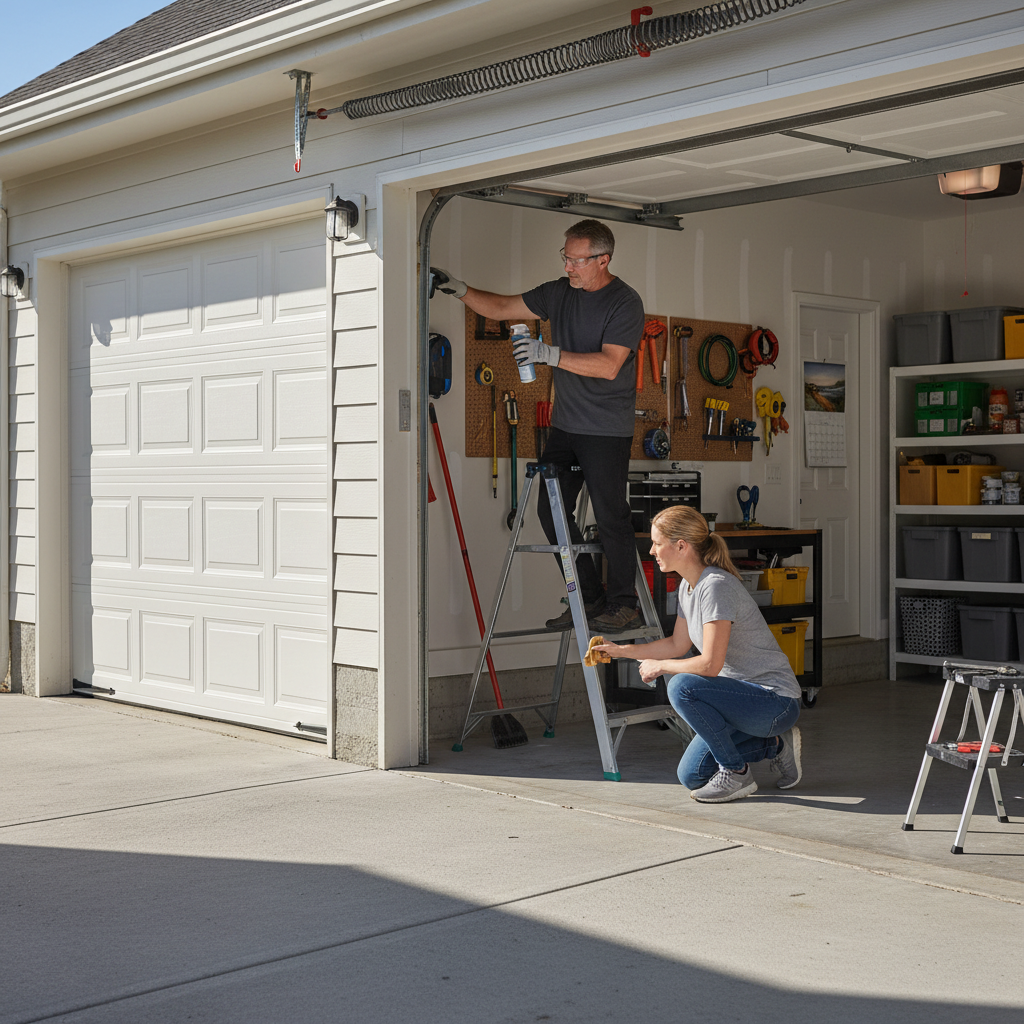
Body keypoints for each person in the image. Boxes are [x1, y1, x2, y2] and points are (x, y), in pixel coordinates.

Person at [430, 219, 645, 633]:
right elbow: (501, 307)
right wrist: (459, 289)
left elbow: (609, 364)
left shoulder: (625, 303)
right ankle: (589, 597)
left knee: (611, 514)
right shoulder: (559, 293)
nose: (568, 267)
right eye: (565, 257)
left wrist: (549, 352)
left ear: (603, 260)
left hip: (606, 429)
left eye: (577, 260)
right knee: (551, 511)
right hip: (566, 426)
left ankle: (624, 603)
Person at [595, 505, 803, 803]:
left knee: (681, 685)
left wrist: (661, 667)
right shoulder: (688, 587)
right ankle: (776, 747)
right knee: (691, 775)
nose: (652, 550)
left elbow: (709, 664)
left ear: (681, 546)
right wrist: (621, 651)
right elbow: (676, 645)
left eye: (657, 543)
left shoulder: (715, 587)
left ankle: (737, 773)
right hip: (736, 699)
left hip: (773, 701)